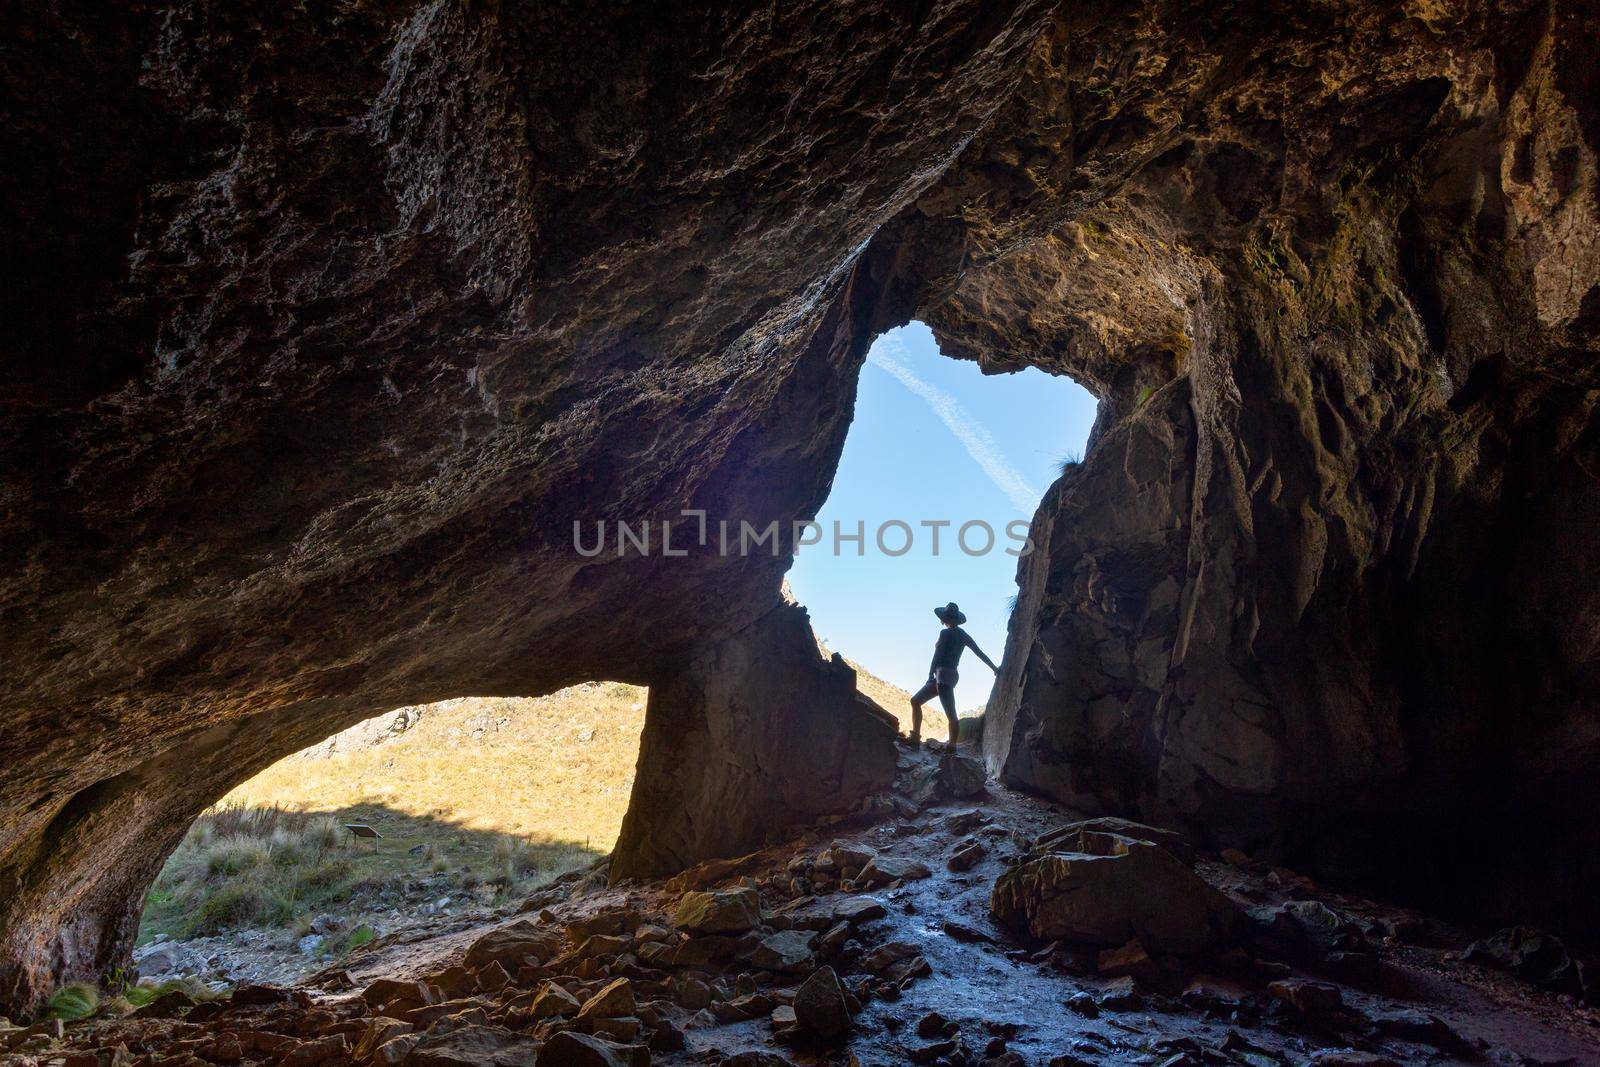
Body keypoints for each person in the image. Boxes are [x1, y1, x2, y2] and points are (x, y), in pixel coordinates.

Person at [909, 602, 997, 747]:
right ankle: (919, 738)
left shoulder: (945, 633)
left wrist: (930, 674)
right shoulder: (963, 635)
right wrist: (994, 667)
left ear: (944, 619)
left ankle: (950, 747)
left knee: (949, 713)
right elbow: (979, 652)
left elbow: (937, 656)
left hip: (942, 675)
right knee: (916, 701)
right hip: (951, 676)